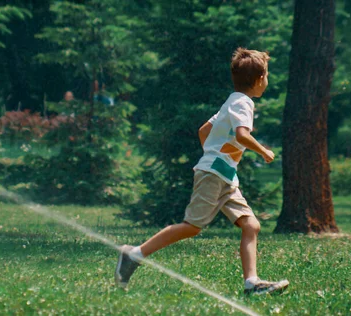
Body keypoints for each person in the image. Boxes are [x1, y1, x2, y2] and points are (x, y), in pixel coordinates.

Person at [115, 47, 289, 295]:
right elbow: (242, 134)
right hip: (215, 175)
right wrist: (263, 151)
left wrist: (213, 155)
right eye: (268, 75)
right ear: (260, 79)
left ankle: (252, 283)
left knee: (251, 225)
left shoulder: (232, 100)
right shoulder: (244, 103)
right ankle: (134, 254)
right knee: (192, 227)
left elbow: (203, 130)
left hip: (225, 176)